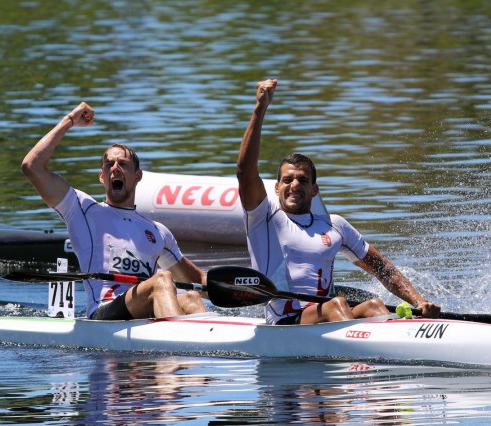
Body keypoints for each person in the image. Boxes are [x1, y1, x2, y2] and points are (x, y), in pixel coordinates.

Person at [236, 79, 441, 325]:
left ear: (314, 190)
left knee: (374, 305)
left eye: (303, 180)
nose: (295, 185)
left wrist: (418, 302)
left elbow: (383, 268)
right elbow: (244, 171)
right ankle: (360, 353)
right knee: (338, 304)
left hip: (327, 316)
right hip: (285, 320)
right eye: (288, 180)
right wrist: (260, 108)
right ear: (277, 187)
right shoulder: (264, 217)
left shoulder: (335, 226)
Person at [22, 101, 207, 320]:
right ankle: (181, 343)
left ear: (137, 176)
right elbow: (31, 166)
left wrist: (242, 287)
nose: (115, 168)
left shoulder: (158, 232)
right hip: (104, 311)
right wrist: (70, 120)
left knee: (192, 297)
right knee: (162, 280)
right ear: (102, 177)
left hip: (143, 309)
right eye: (109, 164)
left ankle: (219, 342)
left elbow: (199, 281)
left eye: (123, 164)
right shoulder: (83, 210)